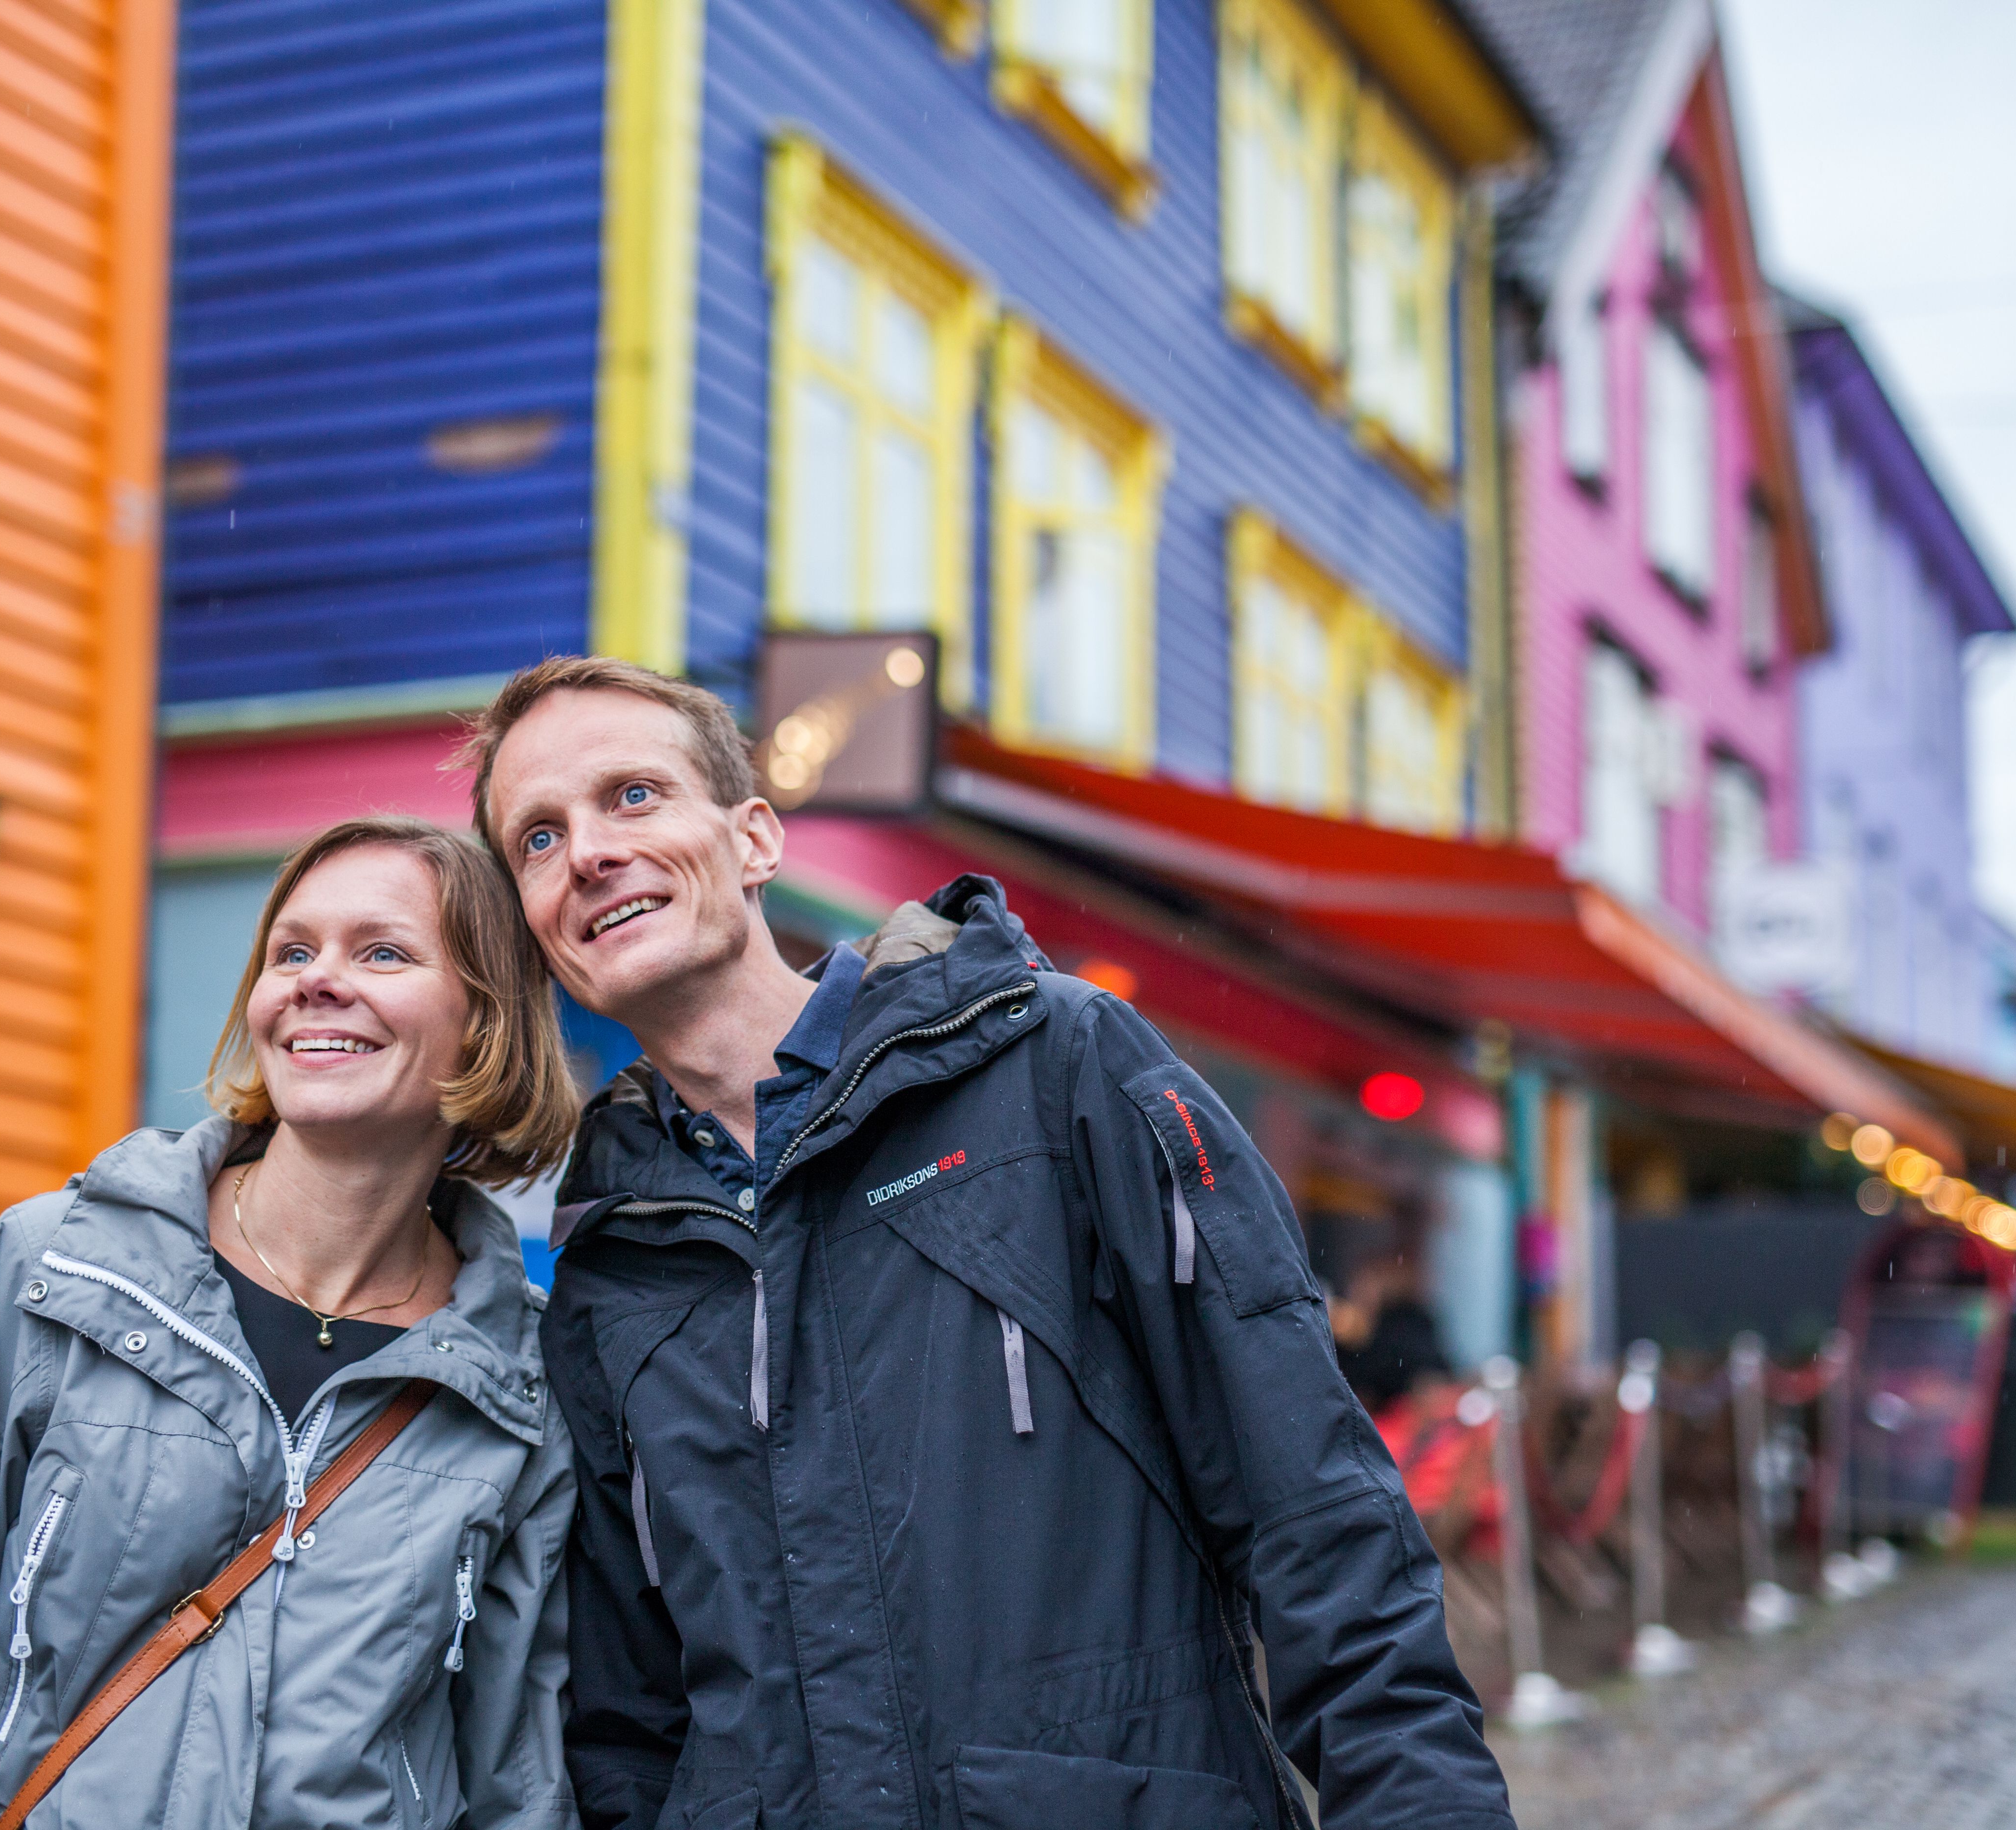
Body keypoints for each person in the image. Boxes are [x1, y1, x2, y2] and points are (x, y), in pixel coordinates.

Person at [462, 656, 1516, 1830]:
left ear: (755, 839)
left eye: (634, 796)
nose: (590, 852)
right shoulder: (611, 1260)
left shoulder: (1060, 1070)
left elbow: (1312, 1512)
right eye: (539, 838)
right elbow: (625, 1727)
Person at [0, 817, 584, 1830]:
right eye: (292, 952)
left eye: (382, 953)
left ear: (488, 1023)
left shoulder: (519, 1376)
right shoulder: (62, 1267)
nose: (317, 982)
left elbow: (517, 1769)